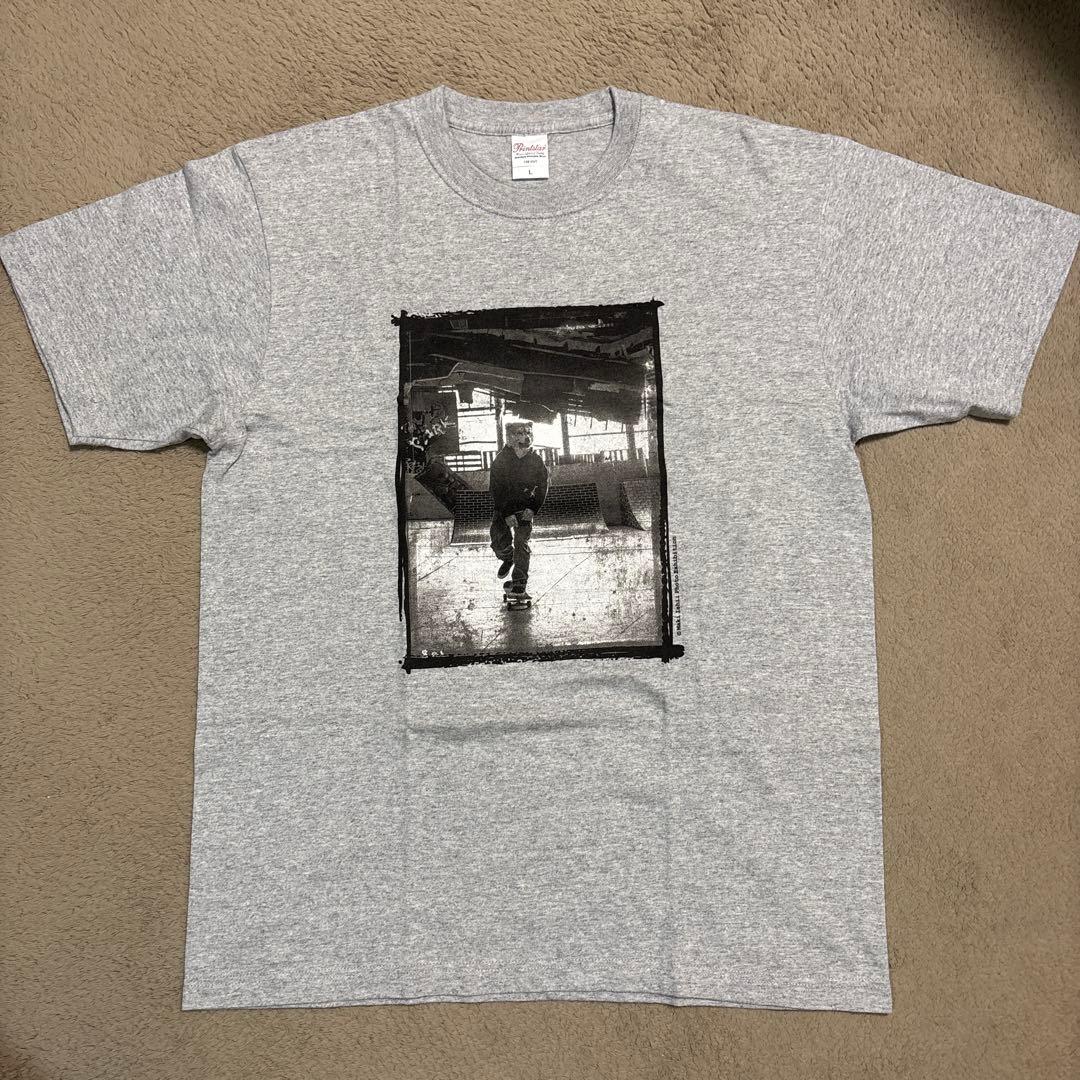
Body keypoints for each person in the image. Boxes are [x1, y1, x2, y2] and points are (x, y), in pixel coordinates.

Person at [488, 421, 550, 600]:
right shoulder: (501, 460)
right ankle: (508, 557)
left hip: (525, 508)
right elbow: (495, 488)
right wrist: (506, 513)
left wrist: (533, 508)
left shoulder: (536, 460)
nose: (526, 436)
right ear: (510, 437)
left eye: (528, 433)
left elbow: (543, 485)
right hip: (504, 508)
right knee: (498, 543)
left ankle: (519, 584)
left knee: (521, 543)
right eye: (520, 433)